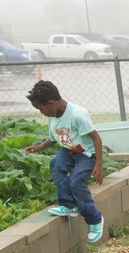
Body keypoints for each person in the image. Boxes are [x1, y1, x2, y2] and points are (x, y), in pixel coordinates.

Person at [24, 80, 105, 243]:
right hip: (69, 150)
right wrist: (40, 146)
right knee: (56, 164)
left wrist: (98, 165)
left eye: (41, 109)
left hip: (87, 154)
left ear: (50, 103)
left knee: (76, 181)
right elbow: (55, 137)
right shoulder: (53, 116)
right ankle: (68, 206)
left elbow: (96, 138)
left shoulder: (77, 115)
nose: (42, 113)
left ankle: (95, 220)